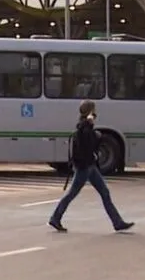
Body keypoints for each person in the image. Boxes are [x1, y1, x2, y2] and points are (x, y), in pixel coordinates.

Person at [48, 100, 134, 233]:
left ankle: (118, 222)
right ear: (89, 111)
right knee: (72, 193)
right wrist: (93, 130)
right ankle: (55, 217)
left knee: (104, 192)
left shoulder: (84, 125)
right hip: (85, 166)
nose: (95, 113)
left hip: (90, 166)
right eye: (93, 110)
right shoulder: (84, 126)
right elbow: (88, 142)